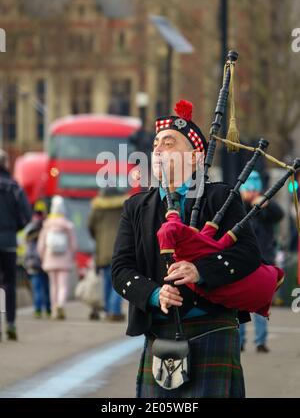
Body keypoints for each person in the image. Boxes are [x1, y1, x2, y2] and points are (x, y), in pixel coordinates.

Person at [111, 100, 262, 398]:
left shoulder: (222, 197)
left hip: (213, 326)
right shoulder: (136, 207)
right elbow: (120, 269)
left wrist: (199, 270)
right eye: (156, 144)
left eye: (169, 143)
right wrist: (154, 293)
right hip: (160, 334)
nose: (158, 149)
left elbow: (248, 255)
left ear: (195, 158)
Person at [239, 171, 284, 353]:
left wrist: (266, 204)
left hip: (263, 259)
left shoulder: (265, 206)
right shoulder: (236, 205)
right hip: (241, 258)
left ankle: (260, 340)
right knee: (239, 303)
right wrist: (244, 201)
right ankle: (240, 340)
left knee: (261, 303)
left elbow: (279, 215)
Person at [0, 149, 31, 340]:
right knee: (9, 283)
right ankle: (10, 323)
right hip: (9, 241)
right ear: (6, 164)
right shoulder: (14, 187)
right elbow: (26, 216)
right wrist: (14, 228)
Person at [88, 187, 127, 321]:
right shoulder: (123, 207)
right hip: (121, 248)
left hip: (104, 251)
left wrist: (99, 237)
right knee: (119, 281)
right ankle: (114, 311)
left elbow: (90, 227)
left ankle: (108, 309)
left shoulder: (97, 209)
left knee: (107, 281)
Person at [37, 195, 76, 320]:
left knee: (53, 285)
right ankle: (61, 305)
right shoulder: (68, 225)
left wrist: (42, 256)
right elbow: (73, 244)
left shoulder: (47, 224)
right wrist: (71, 255)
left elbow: (41, 244)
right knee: (63, 285)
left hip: (50, 258)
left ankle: (54, 310)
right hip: (64, 259)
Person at [24, 201, 51, 318]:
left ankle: (38, 309)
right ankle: (48, 309)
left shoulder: (30, 227)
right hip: (45, 261)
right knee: (46, 288)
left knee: (37, 288)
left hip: (33, 263)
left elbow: (25, 244)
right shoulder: (47, 226)